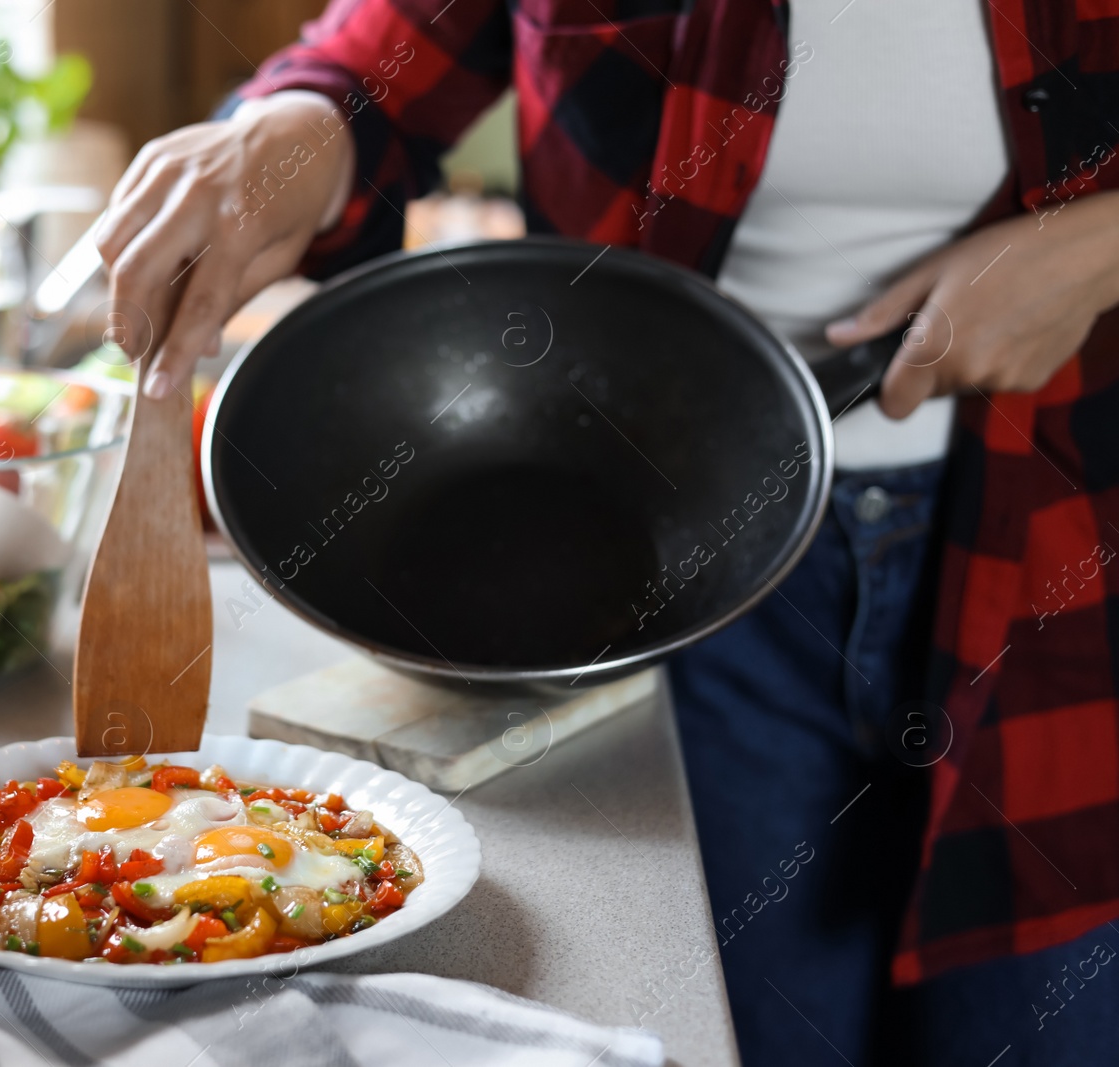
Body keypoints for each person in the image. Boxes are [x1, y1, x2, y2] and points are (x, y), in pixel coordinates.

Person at [92, 1, 1119, 1064]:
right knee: (749, 1027)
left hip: (1065, 553)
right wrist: (304, 120)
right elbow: (396, 46)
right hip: (665, 573)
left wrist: (1101, 246)